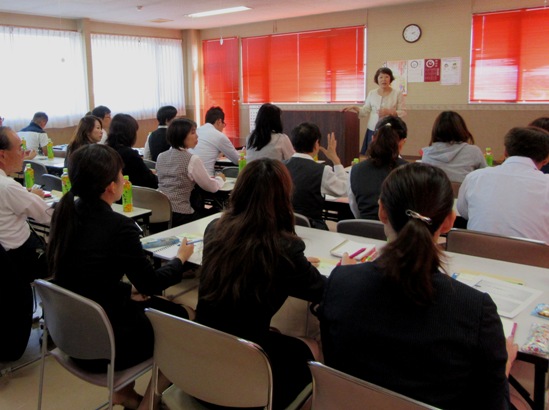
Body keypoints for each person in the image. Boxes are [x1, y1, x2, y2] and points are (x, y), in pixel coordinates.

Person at [318, 162, 516, 409]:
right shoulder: (476, 310)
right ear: (449, 222)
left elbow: (334, 364)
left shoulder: (340, 283)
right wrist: (503, 366)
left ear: (381, 211)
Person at [47, 144, 195, 410]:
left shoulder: (65, 212)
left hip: (70, 335)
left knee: (153, 308)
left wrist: (126, 291)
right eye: (120, 175)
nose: (124, 179)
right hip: (105, 344)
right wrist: (180, 259)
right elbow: (150, 283)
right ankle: (149, 403)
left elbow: (82, 275)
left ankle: (125, 393)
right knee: (184, 321)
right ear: (110, 187)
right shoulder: (118, 227)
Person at [195, 158, 325, 410]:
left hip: (199, 368)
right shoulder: (285, 248)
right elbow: (320, 289)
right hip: (246, 383)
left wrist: (296, 264)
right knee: (312, 346)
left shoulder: (215, 229)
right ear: (283, 198)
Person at [0, 126, 52, 361]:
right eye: (20, 148)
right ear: (2, 155)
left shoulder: (10, 187)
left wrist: (28, 195)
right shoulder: (8, 187)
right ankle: (56, 328)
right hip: (19, 259)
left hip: (6, 256)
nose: (25, 152)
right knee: (65, 259)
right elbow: (46, 216)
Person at [457, 126, 549, 243]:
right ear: (546, 159)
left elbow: (465, 212)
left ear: (505, 152)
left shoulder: (475, 177)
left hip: (478, 254)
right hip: (532, 258)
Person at [156, 118, 225, 227]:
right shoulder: (192, 159)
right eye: (193, 133)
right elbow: (211, 187)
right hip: (182, 214)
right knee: (219, 214)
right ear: (181, 136)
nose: (197, 136)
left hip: (160, 212)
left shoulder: (161, 156)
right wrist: (220, 178)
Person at [284, 122, 348, 230]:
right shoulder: (322, 171)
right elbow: (344, 190)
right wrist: (336, 161)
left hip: (285, 226)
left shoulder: (280, 166)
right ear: (316, 144)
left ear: (293, 143)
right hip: (313, 228)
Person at [349, 115, 408, 220]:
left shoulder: (356, 170)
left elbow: (355, 208)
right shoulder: (410, 170)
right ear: (402, 142)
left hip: (364, 231)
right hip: (399, 234)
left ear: (372, 139)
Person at [343, 67, 406, 155]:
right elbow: (365, 110)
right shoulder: (372, 93)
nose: (384, 79)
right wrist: (355, 107)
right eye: (381, 77)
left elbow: (403, 112)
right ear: (377, 79)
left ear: (390, 78)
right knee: (372, 154)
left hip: (391, 129)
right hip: (373, 128)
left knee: (389, 153)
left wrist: (390, 112)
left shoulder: (397, 93)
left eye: (386, 77)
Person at [421, 111, 486, 183]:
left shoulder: (427, 154)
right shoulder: (473, 151)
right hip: (464, 194)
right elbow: (485, 177)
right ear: (461, 129)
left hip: (436, 194)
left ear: (436, 130)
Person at [106, 113, 158, 189]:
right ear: (130, 133)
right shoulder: (129, 154)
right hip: (133, 196)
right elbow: (150, 181)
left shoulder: (106, 150)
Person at [190, 106, 240, 176]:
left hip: (189, 178)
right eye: (223, 124)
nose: (223, 127)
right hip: (206, 179)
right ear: (219, 121)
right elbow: (238, 160)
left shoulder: (196, 131)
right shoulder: (219, 136)